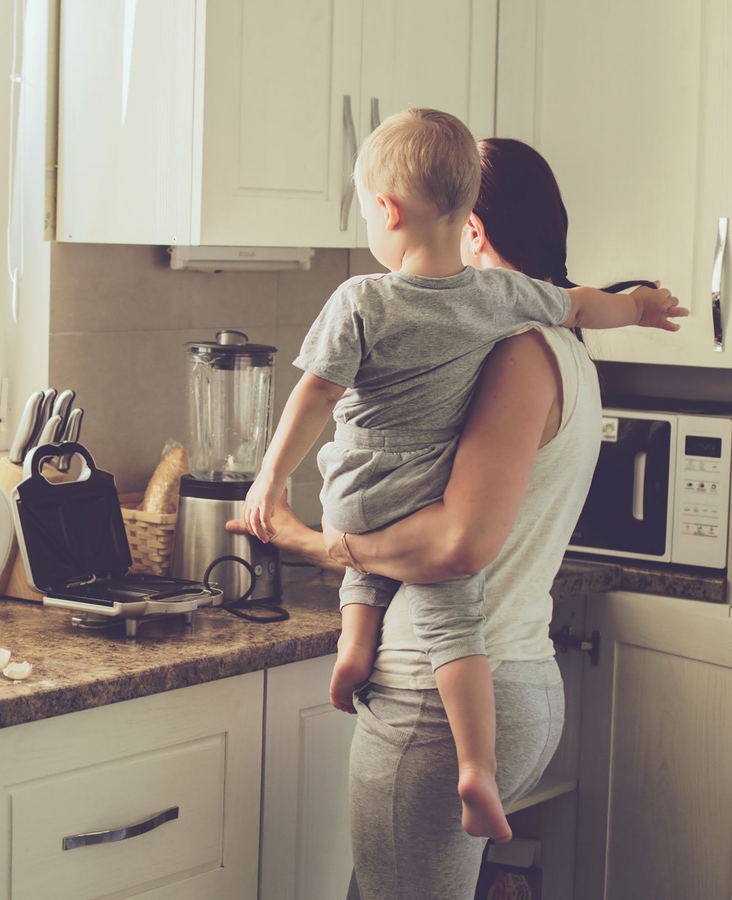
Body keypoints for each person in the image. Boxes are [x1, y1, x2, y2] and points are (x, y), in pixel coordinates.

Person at [232, 134, 678, 897]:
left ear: (472, 227)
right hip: (517, 682)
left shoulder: (515, 350)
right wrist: (638, 304)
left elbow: (456, 544)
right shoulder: (560, 342)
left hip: (437, 698)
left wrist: (316, 540)